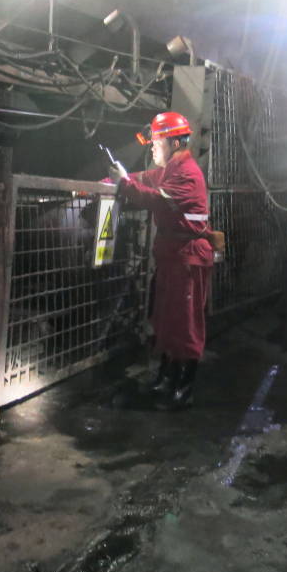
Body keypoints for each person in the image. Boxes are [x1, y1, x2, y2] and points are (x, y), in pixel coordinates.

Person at [109, 111, 212, 409]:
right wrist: (113, 179)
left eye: (157, 141)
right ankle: (167, 377)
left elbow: (158, 200)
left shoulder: (187, 173)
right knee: (166, 319)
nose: (153, 147)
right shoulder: (171, 169)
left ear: (174, 143)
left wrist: (124, 185)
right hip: (172, 257)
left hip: (188, 259)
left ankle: (184, 389)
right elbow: (144, 179)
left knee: (185, 323)